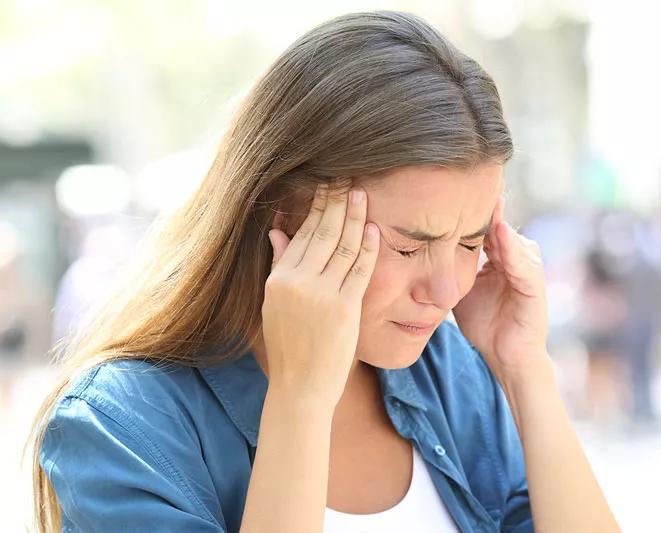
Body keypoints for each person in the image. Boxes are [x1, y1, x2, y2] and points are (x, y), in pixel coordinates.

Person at [27, 11, 619, 533]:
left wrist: (525, 368)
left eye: (469, 244)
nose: (445, 292)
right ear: (282, 207)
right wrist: (301, 399)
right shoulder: (120, 426)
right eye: (409, 248)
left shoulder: (450, 373)